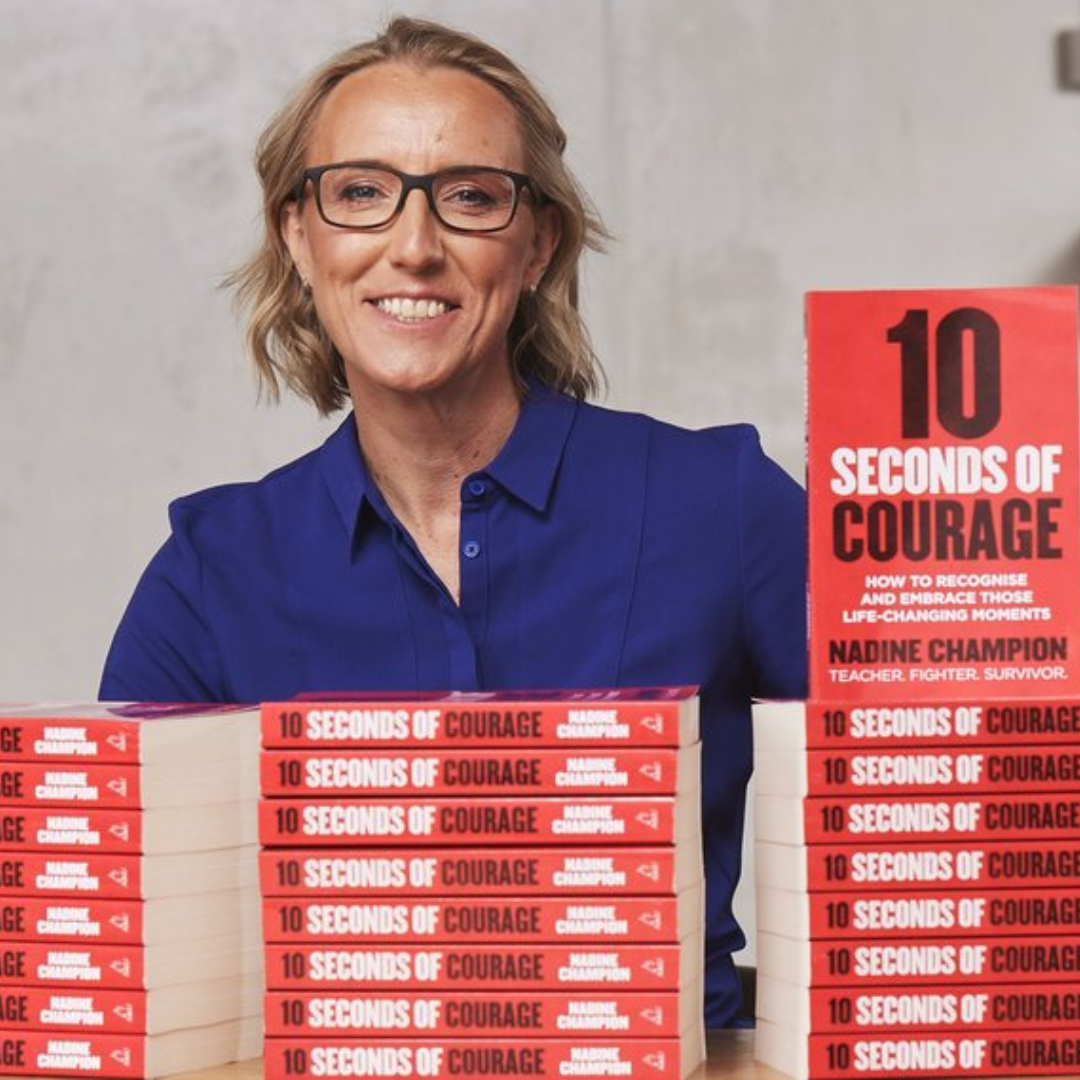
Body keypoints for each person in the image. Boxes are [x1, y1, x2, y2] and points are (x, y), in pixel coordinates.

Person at [100, 15, 807, 1027]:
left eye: (471, 197)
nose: (415, 247)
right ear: (298, 237)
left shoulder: (721, 506)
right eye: (360, 193)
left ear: (538, 244)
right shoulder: (211, 576)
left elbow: (912, 819)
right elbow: (134, 964)